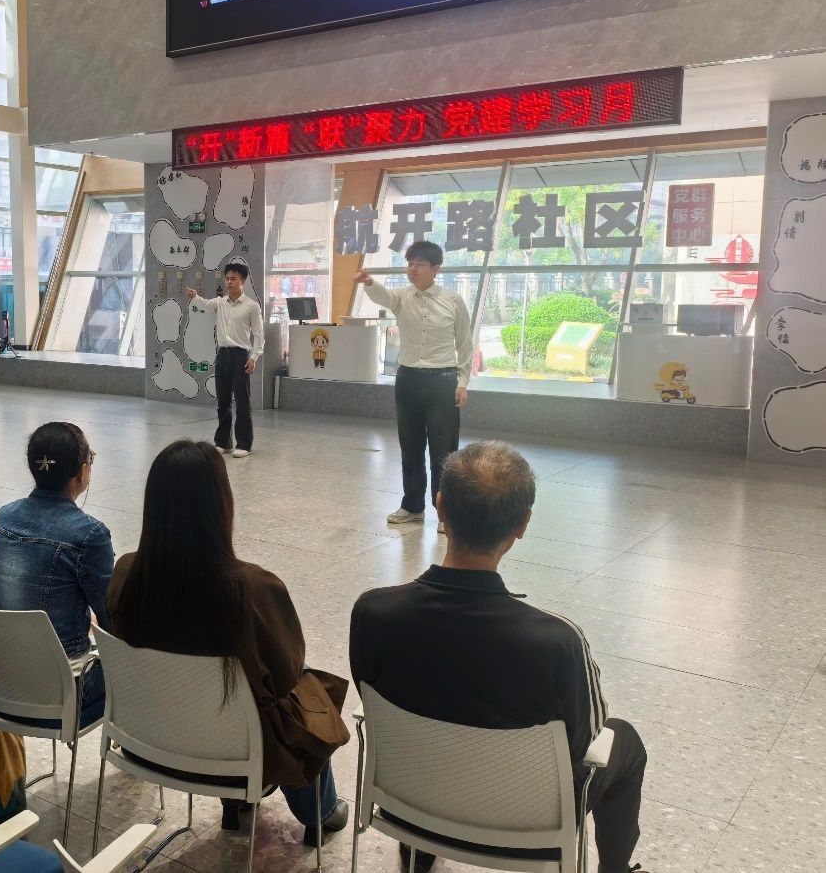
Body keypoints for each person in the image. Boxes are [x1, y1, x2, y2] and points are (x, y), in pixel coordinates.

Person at [350, 441, 648, 873]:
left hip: (407, 805)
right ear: (523, 523)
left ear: (439, 506)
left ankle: (417, 852)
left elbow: (372, 694)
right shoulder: (557, 642)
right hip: (527, 829)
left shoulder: (373, 612)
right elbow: (584, 739)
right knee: (626, 742)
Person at [108, 440, 350, 846]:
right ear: (222, 504)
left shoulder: (127, 572)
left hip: (151, 742)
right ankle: (319, 813)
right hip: (239, 754)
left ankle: (235, 805)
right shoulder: (254, 589)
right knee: (303, 688)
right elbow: (286, 675)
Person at [0, 422, 113, 718]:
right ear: (83, 471)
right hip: (61, 689)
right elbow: (111, 618)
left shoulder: (5, 517)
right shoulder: (90, 534)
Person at [354, 240, 473, 530]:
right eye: (410, 264)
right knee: (410, 446)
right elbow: (382, 296)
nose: (412, 269)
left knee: (444, 451)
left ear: (435, 269)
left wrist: (462, 382)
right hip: (408, 379)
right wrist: (368, 282)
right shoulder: (402, 297)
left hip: (442, 381)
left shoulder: (453, 301)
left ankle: (446, 513)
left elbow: (465, 345)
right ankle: (412, 506)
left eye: (419, 264)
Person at [184, 261, 264, 458]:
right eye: (227, 279)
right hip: (223, 355)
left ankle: (244, 444)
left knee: (242, 402)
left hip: (241, 355)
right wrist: (195, 297)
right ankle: (223, 442)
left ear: (243, 281)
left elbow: (259, 334)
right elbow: (204, 303)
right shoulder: (220, 302)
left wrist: (254, 357)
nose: (229, 282)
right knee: (223, 401)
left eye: (233, 279)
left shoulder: (251, 306)